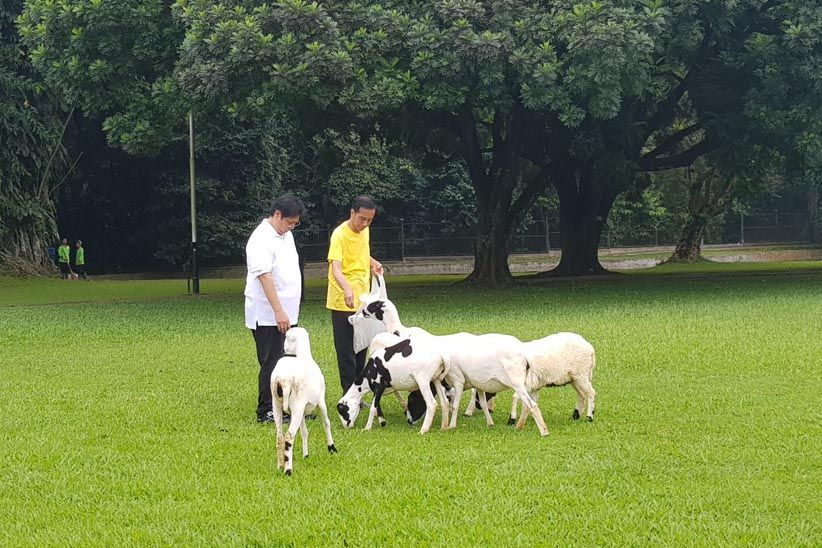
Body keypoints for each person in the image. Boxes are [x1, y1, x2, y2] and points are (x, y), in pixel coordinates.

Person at [244, 194, 306, 424]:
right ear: (277, 214)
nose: (292, 227)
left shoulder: (286, 235)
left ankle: (287, 406)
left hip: (288, 311)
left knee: (288, 360)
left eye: (295, 223)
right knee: (272, 361)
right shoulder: (260, 238)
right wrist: (278, 311)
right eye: (289, 222)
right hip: (267, 314)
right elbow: (265, 277)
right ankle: (266, 410)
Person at [327, 195, 384, 395]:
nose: (365, 224)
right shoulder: (339, 235)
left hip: (363, 300)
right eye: (362, 219)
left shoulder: (365, 231)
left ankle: (358, 394)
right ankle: (348, 397)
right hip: (343, 301)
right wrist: (347, 288)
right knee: (347, 352)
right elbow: (335, 268)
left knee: (361, 349)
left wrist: (373, 263)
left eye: (370, 220)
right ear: (352, 212)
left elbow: (362, 255)